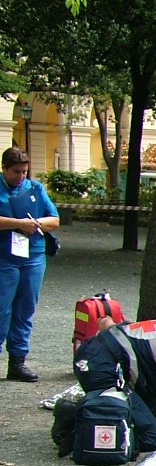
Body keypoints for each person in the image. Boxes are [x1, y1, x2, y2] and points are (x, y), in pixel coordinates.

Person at [0, 147, 59, 382]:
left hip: (33, 255)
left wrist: (34, 224)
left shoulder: (35, 188)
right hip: (4, 256)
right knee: (2, 308)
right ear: (4, 169)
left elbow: (54, 219)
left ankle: (18, 361)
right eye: (16, 172)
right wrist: (18, 223)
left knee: (26, 309)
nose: (21, 176)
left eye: (24, 171)